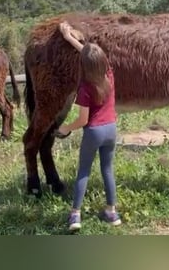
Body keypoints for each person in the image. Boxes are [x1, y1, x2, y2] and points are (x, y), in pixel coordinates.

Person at [56, 21, 121, 231]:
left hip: (93, 131)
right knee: (107, 170)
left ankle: (75, 215)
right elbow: (89, 54)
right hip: (111, 129)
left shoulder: (85, 88)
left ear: (84, 65)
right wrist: (71, 38)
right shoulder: (109, 75)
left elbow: (83, 120)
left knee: (83, 171)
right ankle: (112, 212)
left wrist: (66, 128)